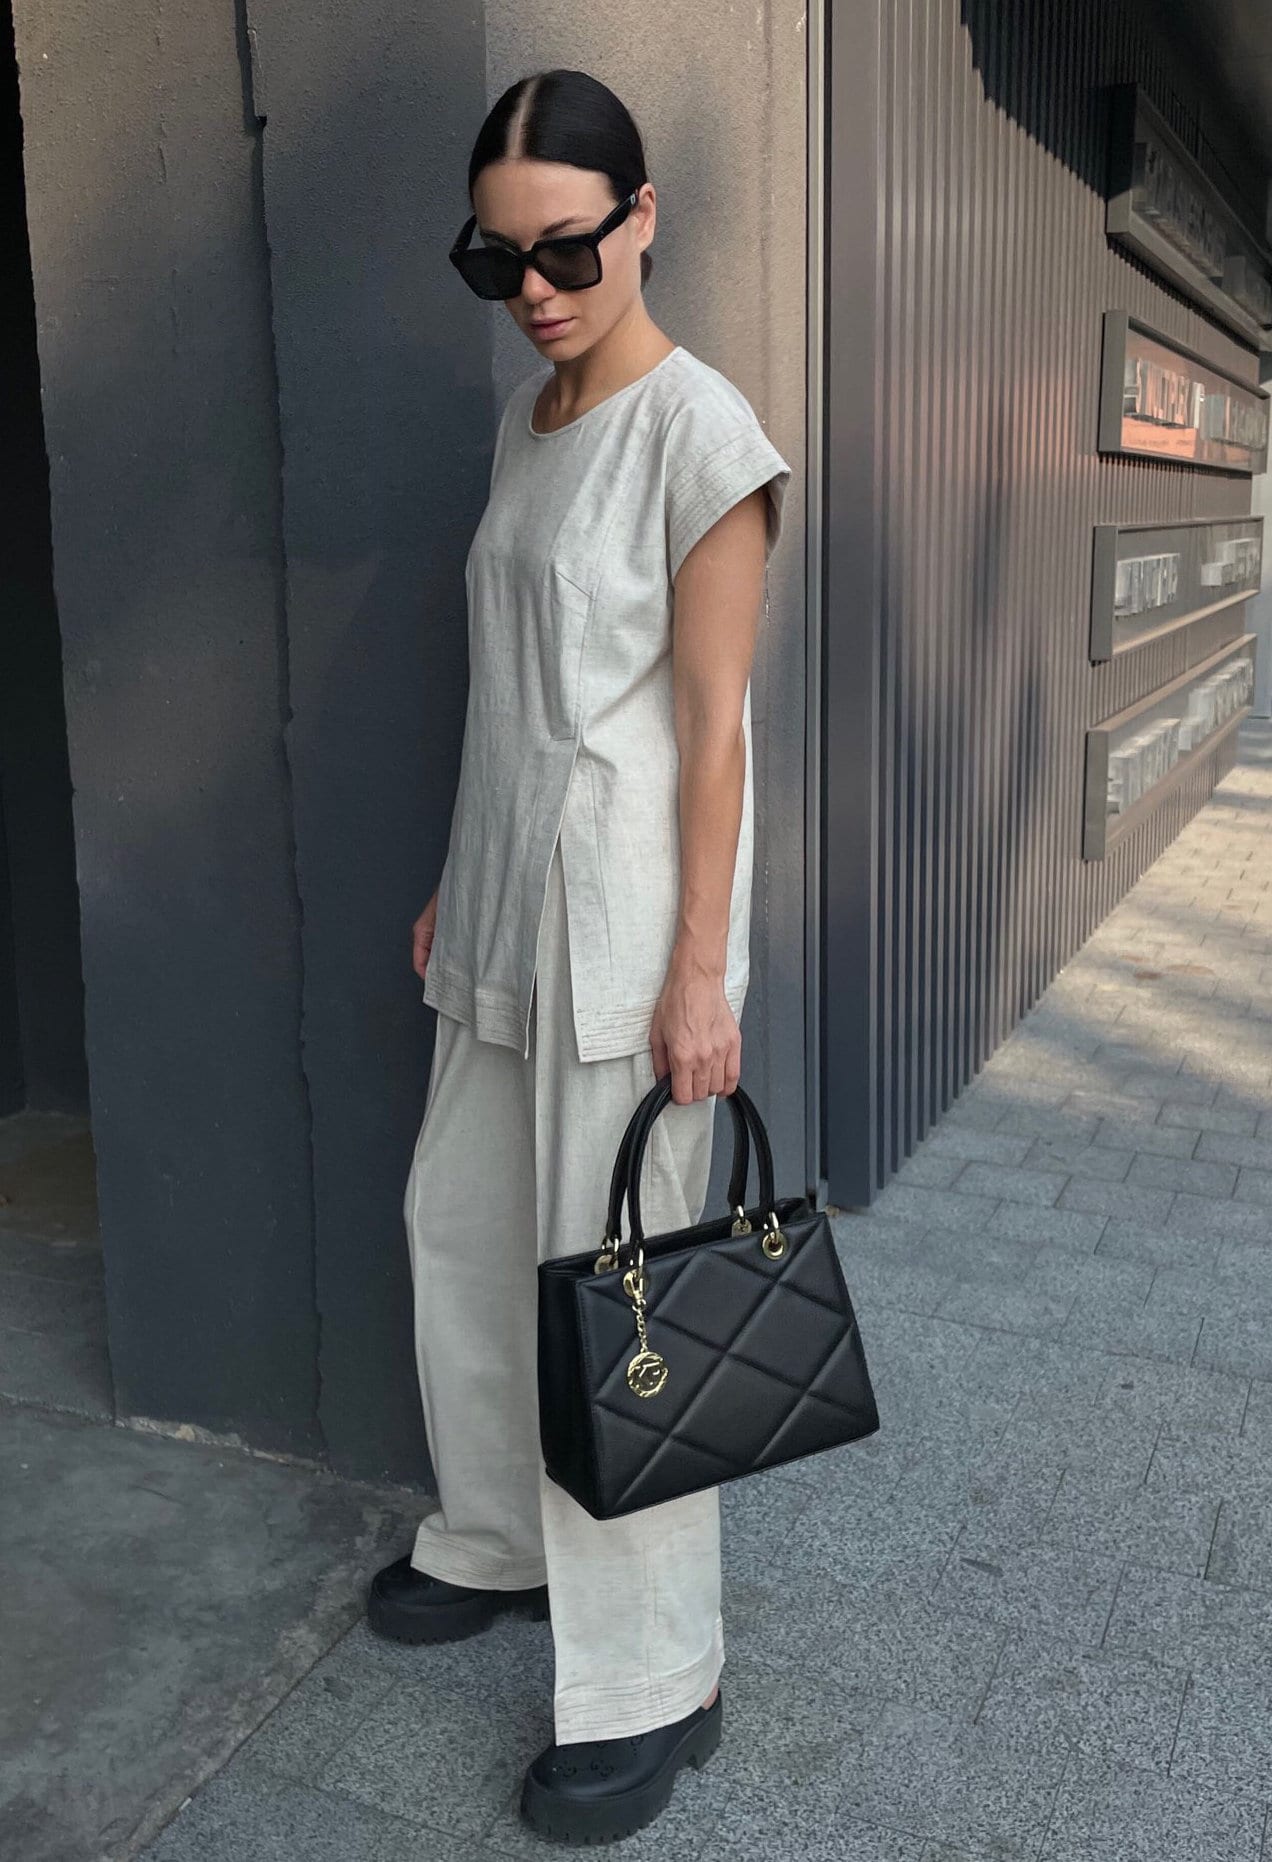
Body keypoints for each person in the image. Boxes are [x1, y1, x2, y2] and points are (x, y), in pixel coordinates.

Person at [368, 67, 790, 1845]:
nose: (534, 288)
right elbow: (514, 693)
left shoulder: (702, 433)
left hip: (624, 923)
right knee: (462, 1234)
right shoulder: (528, 421)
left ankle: (658, 1678)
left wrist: (701, 972)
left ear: (641, 219)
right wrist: (455, 879)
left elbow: (713, 732)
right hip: (501, 901)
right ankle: (495, 1538)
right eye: (496, 259)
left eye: (564, 248)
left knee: (623, 1304)